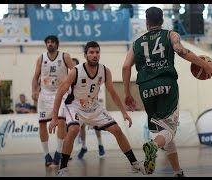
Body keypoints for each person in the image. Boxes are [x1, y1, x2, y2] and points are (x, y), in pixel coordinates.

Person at [122, 7, 212, 177]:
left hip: (145, 89)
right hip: (166, 84)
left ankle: (178, 172)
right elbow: (181, 51)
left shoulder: (136, 43)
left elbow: (126, 66)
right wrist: (205, 65)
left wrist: (127, 94)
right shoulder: (170, 34)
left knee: (163, 133)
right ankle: (152, 146)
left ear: (146, 22)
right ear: (162, 20)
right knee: (170, 131)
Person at [48, 41, 146, 176]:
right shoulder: (76, 71)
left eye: (97, 52)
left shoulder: (105, 71)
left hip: (93, 106)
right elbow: (60, 92)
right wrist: (54, 118)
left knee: (117, 129)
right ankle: (63, 169)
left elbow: (112, 92)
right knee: (74, 129)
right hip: (75, 105)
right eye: (91, 52)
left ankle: (134, 164)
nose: (94, 55)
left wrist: (124, 112)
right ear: (85, 55)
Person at [31, 35, 75, 166]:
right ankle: (46, 155)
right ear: (46, 44)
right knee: (42, 124)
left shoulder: (65, 56)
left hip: (61, 93)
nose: (50, 44)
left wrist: (73, 89)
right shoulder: (41, 58)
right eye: (48, 42)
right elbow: (35, 76)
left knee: (61, 122)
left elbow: (75, 72)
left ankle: (58, 151)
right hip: (44, 94)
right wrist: (33, 90)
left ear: (57, 44)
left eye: (52, 42)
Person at [71, 58, 106, 159]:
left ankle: (100, 144)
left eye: (74, 65)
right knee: (80, 127)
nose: (72, 67)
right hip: (78, 105)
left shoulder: (83, 73)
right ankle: (83, 146)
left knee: (96, 125)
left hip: (90, 102)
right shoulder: (71, 76)